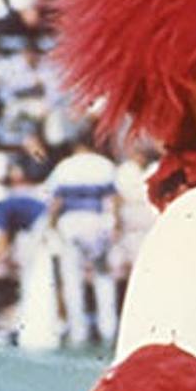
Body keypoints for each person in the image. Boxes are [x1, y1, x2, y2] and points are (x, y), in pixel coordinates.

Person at [45, 134, 119, 344]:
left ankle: (79, 331)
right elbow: (113, 199)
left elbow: (55, 201)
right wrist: (116, 225)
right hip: (98, 222)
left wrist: (51, 227)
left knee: (72, 278)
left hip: (71, 223)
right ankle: (109, 329)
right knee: (103, 277)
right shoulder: (105, 165)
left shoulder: (65, 167)